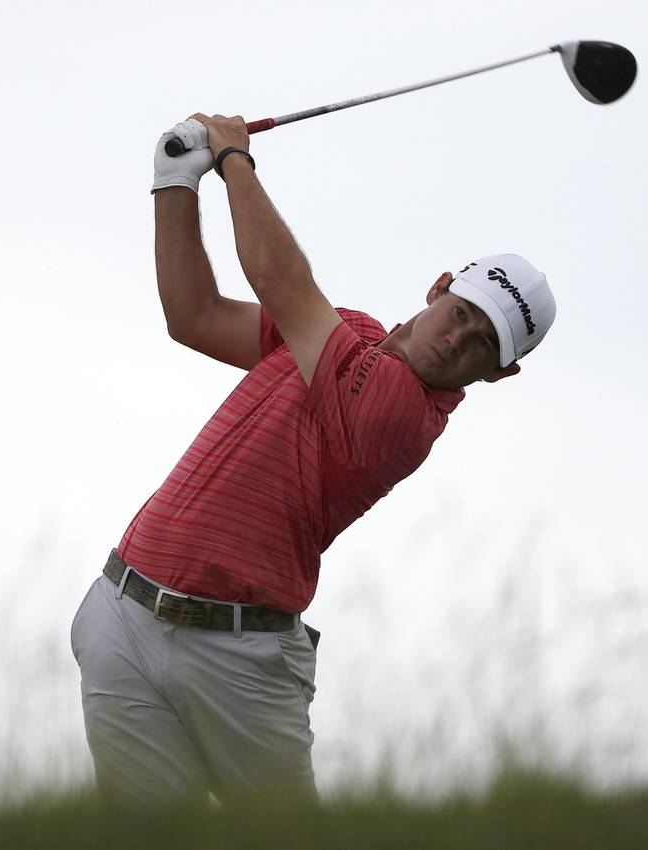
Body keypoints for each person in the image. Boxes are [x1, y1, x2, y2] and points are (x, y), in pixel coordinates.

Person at [69, 113, 557, 805]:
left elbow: (279, 279)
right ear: (439, 287)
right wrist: (175, 181)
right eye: (462, 313)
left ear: (500, 373)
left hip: (241, 660)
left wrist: (234, 161)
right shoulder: (347, 331)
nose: (457, 341)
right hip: (125, 612)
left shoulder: (401, 413)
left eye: (483, 343)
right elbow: (194, 315)